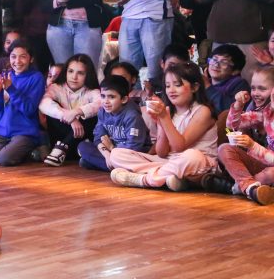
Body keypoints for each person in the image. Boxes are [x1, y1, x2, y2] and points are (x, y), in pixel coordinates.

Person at [110, 61, 217, 191]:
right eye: (167, 86)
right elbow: (161, 152)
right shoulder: (168, 111)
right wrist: (161, 121)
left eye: (177, 85)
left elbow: (180, 146)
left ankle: (143, 179)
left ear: (195, 87)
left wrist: (164, 118)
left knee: (192, 156)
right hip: (169, 161)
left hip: (198, 163)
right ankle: (169, 178)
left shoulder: (202, 111)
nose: (171, 90)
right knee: (116, 153)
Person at [0, 39, 45, 166]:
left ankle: (32, 150)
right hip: (2, 131)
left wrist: (11, 89)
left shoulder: (36, 77)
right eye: (13, 57)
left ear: (31, 59)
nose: (17, 61)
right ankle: (9, 151)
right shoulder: (4, 74)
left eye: (23, 57)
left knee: (5, 159)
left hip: (24, 132)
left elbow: (29, 109)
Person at [215, 71, 274, 204]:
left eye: (262, 88)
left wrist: (252, 146)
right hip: (262, 167)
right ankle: (250, 187)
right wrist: (238, 105)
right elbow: (232, 124)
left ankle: (234, 187)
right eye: (253, 88)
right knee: (224, 148)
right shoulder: (264, 114)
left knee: (271, 174)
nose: (255, 93)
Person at [77, 75, 150, 172]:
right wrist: (107, 155)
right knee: (83, 146)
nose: (105, 101)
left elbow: (133, 148)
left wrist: (112, 148)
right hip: (112, 152)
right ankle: (114, 166)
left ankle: (103, 164)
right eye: (103, 96)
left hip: (133, 155)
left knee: (85, 160)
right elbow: (98, 136)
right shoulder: (102, 111)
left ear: (124, 99)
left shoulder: (132, 116)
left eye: (111, 97)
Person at [39, 54, 101, 166]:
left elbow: (100, 103)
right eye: (71, 71)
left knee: (92, 114)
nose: (74, 77)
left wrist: (77, 112)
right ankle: (61, 148)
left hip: (81, 141)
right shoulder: (56, 87)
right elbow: (43, 104)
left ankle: (65, 147)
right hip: (58, 141)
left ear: (88, 75)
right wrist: (71, 118)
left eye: (80, 73)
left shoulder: (92, 91)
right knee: (53, 108)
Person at [205, 44, 250, 112]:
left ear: (235, 71)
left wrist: (207, 87)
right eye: (214, 59)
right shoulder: (207, 82)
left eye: (223, 62)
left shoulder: (240, 84)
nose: (216, 65)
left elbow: (230, 111)